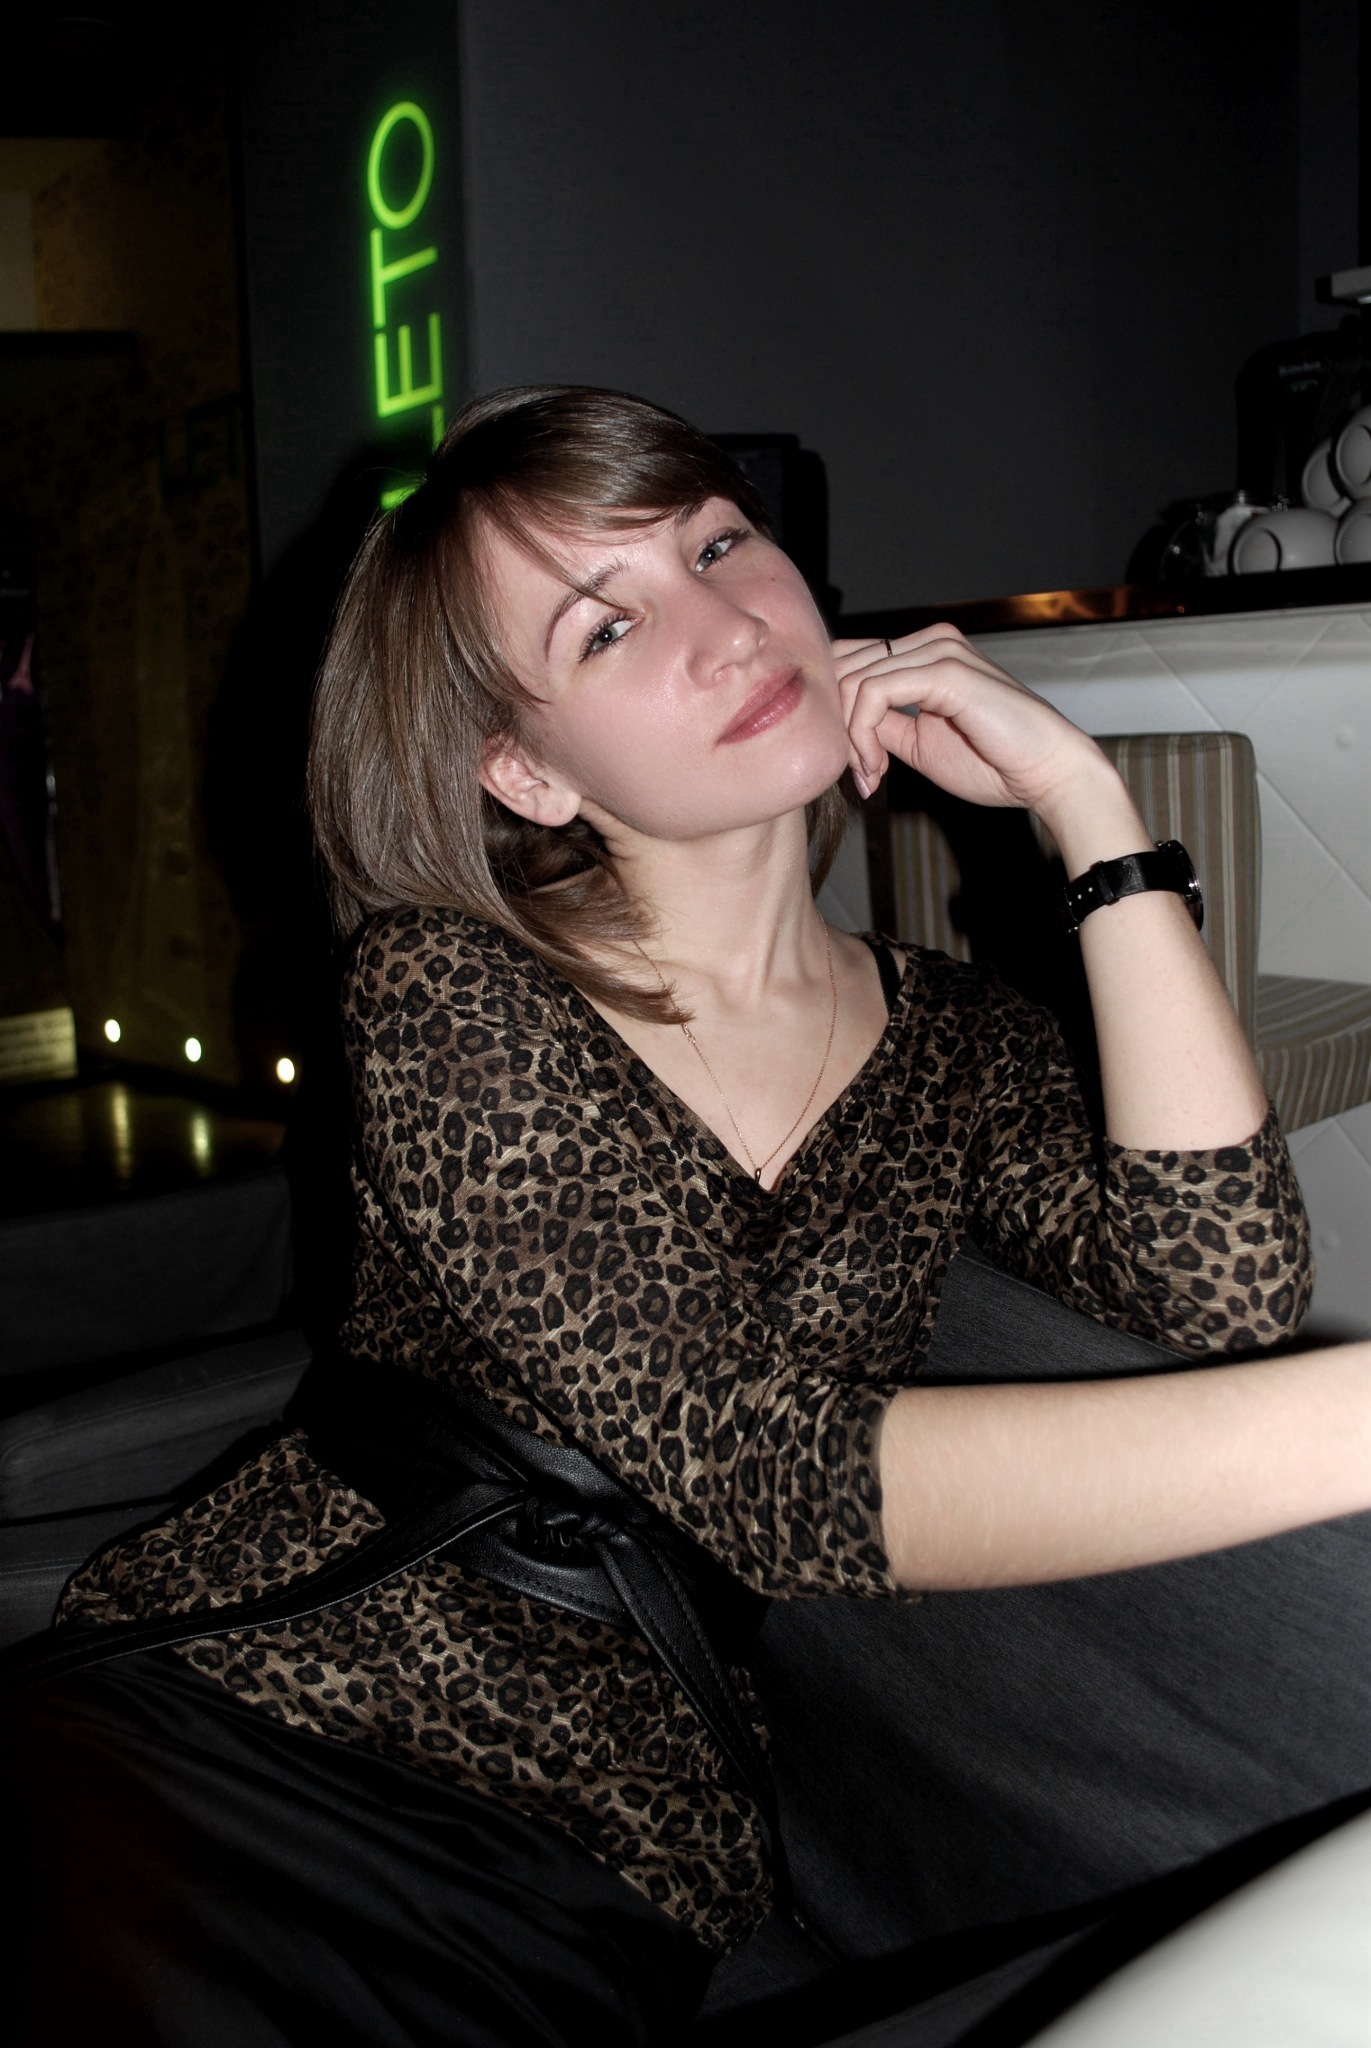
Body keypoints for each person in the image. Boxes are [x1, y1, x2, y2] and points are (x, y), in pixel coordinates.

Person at [3, 385, 1367, 2047]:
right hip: (255, 1738)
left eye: (719, 545)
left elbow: (1221, 1284)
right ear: (526, 771)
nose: (727, 626)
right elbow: (762, 1471)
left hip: (597, 1866)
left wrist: (1088, 804)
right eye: (607, 625)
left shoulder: (955, 1043)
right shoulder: (451, 987)